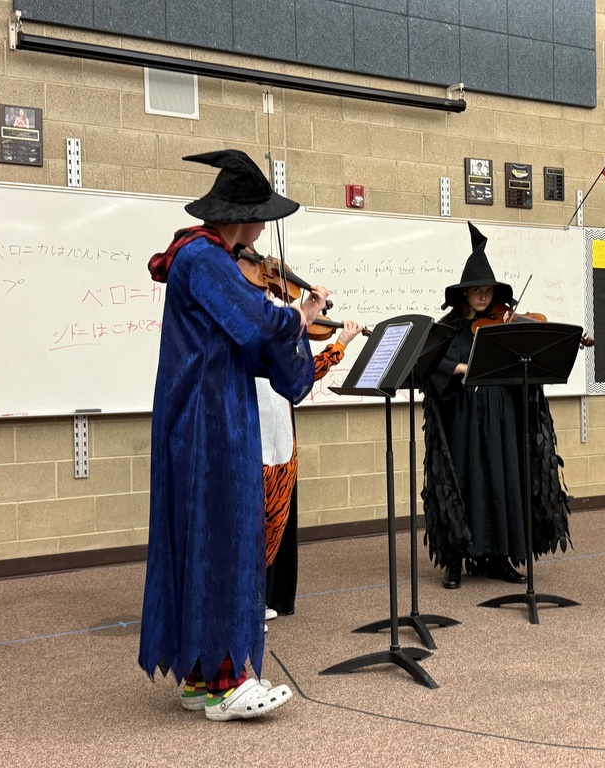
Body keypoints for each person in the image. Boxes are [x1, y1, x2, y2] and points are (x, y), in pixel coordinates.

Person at [138, 149, 330, 721]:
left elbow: (252, 337)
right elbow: (261, 322)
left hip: (206, 412)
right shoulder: (204, 258)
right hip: (208, 420)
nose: (264, 232)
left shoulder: (203, 255)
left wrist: (292, 321)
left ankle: (202, 673)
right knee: (222, 536)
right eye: (261, 219)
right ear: (244, 218)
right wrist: (300, 313)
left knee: (202, 535)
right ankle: (225, 683)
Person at [421, 221, 571, 589]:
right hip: (463, 416)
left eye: (488, 290)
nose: (484, 296)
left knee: (502, 478)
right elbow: (427, 361)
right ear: (464, 293)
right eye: (477, 290)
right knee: (464, 481)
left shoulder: (505, 324)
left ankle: (499, 557)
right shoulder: (449, 328)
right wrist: (460, 367)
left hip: (501, 413)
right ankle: (457, 560)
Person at [258, 318, 364, 625]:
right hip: (251, 446)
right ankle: (244, 605)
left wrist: (341, 342)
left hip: (282, 448)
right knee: (248, 529)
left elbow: (305, 373)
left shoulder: (283, 354)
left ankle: (263, 598)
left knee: (274, 525)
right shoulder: (244, 344)